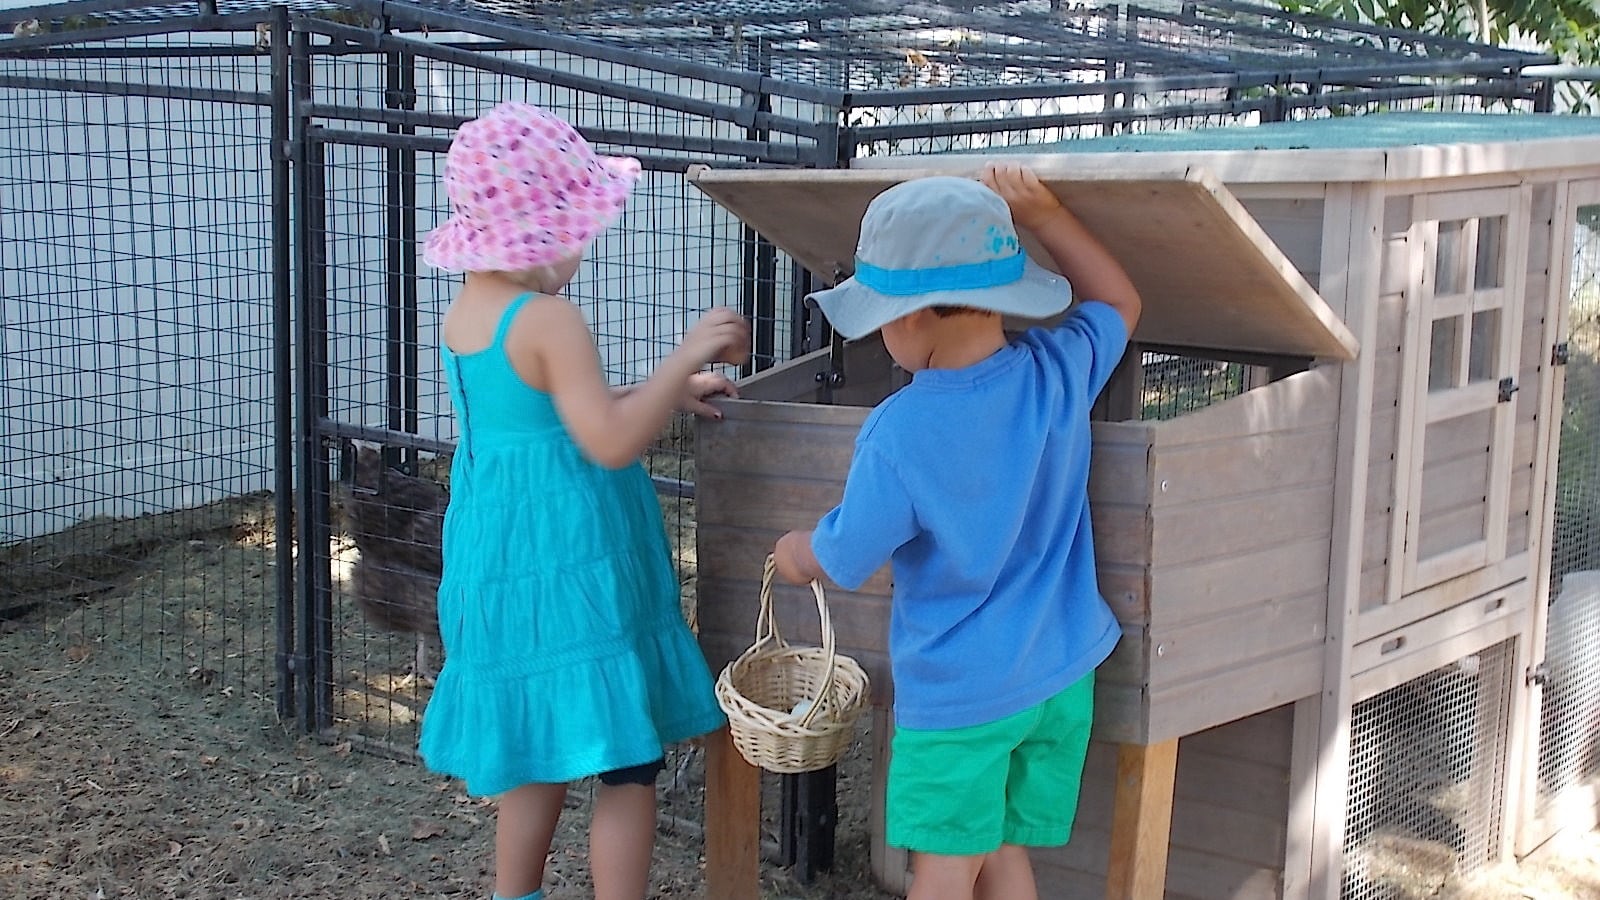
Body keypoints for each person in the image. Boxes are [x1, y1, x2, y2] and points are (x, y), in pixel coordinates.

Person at [771, 165, 1142, 900]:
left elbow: (845, 554)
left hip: (963, 692)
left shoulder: (900, 432)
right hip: (1058, 674)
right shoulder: (1056, 371)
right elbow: (1120, 301)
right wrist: (1048, 211)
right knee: (1000, 846)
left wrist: (795, 554)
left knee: (941, 868)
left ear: (909, 316)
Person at [417, 101, 746, 900]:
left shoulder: (468, 315)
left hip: (504, 564)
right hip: (576, 564)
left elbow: (551, 416)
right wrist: (686, 355)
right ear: (541, 228)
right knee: (624, 760)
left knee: (537, 746)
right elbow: (605, 440)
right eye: (576, 230)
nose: (581, 248)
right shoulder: (548, 318)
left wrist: (666, 392)